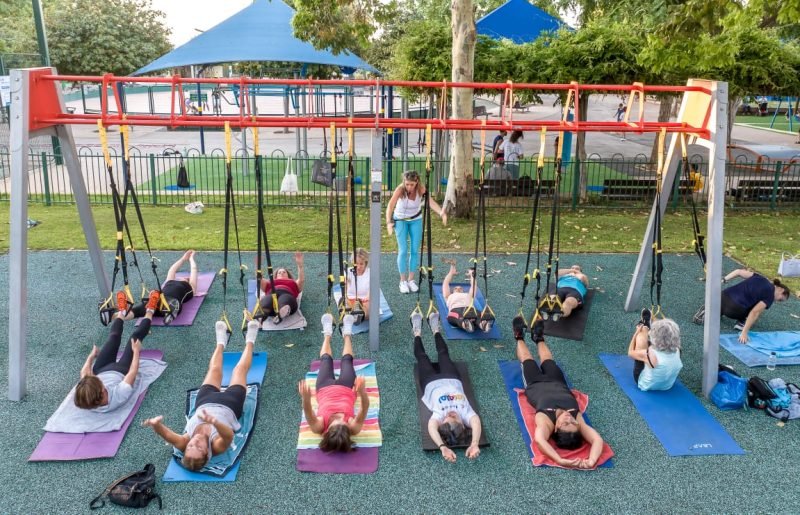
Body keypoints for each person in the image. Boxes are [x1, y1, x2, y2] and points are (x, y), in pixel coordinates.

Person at [142, 319, 261, 471]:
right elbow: (228, 436)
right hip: (230, 405)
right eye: (198, 447)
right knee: (239, 370)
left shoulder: (185, 441)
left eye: (191, 445)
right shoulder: (217, 446)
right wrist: (214, 422)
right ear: (207, 452)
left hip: (204, 402)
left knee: (214, 370)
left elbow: (167, 435)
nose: (195, 442)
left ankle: (221, 342)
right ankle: (250, 339)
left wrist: (155, 424)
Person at [513, 316, 605, 469]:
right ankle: (538, 338)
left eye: (565, 423)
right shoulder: (578, 421)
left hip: (534, 383)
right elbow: (597, 440)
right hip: (558, 382)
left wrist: (560, 460)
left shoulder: (546, 423)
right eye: (573, 422)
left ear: (555, 428)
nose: (569, 418)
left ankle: (519, 336)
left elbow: (540, 441)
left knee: (527, 359)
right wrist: (591, 461)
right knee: (548, 359)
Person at [411, 310, 482, 463]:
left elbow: (431, 428)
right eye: (454, 417)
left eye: (448, 418)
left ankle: (417, 331)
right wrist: (474, 443)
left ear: (442, 423)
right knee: (443, 353)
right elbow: (476, 423)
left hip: (430, 383)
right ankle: (435, 329)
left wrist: (442, 447)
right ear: (463, 423)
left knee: (422, 357)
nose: (450, 414)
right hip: (452, 379)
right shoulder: (466, 414)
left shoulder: (438, 416)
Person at [74, 290, 160, 411]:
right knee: (134, 338)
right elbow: (133, 373)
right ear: (103, 392)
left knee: (113, 337)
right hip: (121, 371)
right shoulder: (119, 396)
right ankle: (151, 309)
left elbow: (84, 373)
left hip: (101, 369)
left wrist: (92, 356)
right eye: (99, 382)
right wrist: (136, 352)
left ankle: (122, 312)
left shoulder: (87, 396)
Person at [298, 313, 370, 453]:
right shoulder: (353, 428)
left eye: (334, 423)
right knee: (347, 360)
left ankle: (327, 333)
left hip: (324, 388)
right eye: (342, 422)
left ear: (326, 432)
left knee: (325, 360)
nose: (338, 419)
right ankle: (347, 333)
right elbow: (364, 407)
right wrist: (361, 392)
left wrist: (306, 399)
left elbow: (308, 412)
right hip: (347, 388)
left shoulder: (318, 427)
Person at [386, 170, 447, 294]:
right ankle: (402, 281)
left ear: (416, 182)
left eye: (411, 184)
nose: (409, 187)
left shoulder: (421, 189)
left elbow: (430, 202)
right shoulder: (400, 190)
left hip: (416, 220)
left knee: (414, 250)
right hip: (400, 220)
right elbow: (390, 206)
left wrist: (441, 212)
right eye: (407, 184)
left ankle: (411, 280)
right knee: (403, 250)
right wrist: (388, 222)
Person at [694, 269, 791, 344]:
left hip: (722, 297)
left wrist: (723, 280)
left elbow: (738, 272)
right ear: (781, 290)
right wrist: (744, 332)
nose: (777, 301)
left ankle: (709, 309)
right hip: (734, 309)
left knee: (717, 311)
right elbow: (754, 312)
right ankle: (741, 322)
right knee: (756, 308)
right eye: (780, 299)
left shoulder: (760, 278)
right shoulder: (769, 295)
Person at [124, 250, 199, 325]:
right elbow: (172, 269)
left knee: (176, 304)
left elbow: (194, 269)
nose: (185, 277)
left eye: (187, 278)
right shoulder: (170, 280)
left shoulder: (191, 288)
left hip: (171, 301)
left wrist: (191, 259)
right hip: (157, 301)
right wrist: (183, 259)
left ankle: (170, 313)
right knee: (135, 311)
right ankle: (118, 315)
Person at [627, 309, 683, 391]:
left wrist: (636, 333)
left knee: (641, 338)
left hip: (645, 384)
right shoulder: (678, 350)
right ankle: (649, 325)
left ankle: (645, 327)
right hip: (667, 386)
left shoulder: (650, 354)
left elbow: (630, 353)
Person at [442, 264, 493, 333]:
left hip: (470, 309)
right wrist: (451, 273)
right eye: (456, 288)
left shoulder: (468, 295)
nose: (458, 289)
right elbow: (445, 283)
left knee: (479, 316)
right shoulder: (448, 296)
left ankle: (483, 325)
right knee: (458, 317)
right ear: (452, 291)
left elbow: (473, 286)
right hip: (456, 310)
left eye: (460, 288)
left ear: (463, 291)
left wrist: (472, 275)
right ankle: (466, 324)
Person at [256, 251, 305, 322]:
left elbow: (302, 279)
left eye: (284, 272)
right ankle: (261, 315)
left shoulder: (293, 282)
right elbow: (259, 279)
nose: (282, 273)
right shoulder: (269, 282)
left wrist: (300, 265)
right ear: (275, 276)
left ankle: (282, 311)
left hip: (288, 296)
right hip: (271, 298)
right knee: (267, 299)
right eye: (279, 272)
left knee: (284, 298)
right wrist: (258, 266)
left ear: (288, 275)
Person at [346, 248, 370, 321]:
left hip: (364, 299)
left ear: (365, 263)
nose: (358, 267)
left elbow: (372, 290)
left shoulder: (370, 273)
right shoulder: (348, 272)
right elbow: (344, 289)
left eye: (361, 264)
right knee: (345, 305)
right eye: (356, 264)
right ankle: (354, 315)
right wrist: (345, 298)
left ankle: (358, 315)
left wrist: (368, 298)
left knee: (368, 308)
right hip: (351, 298)